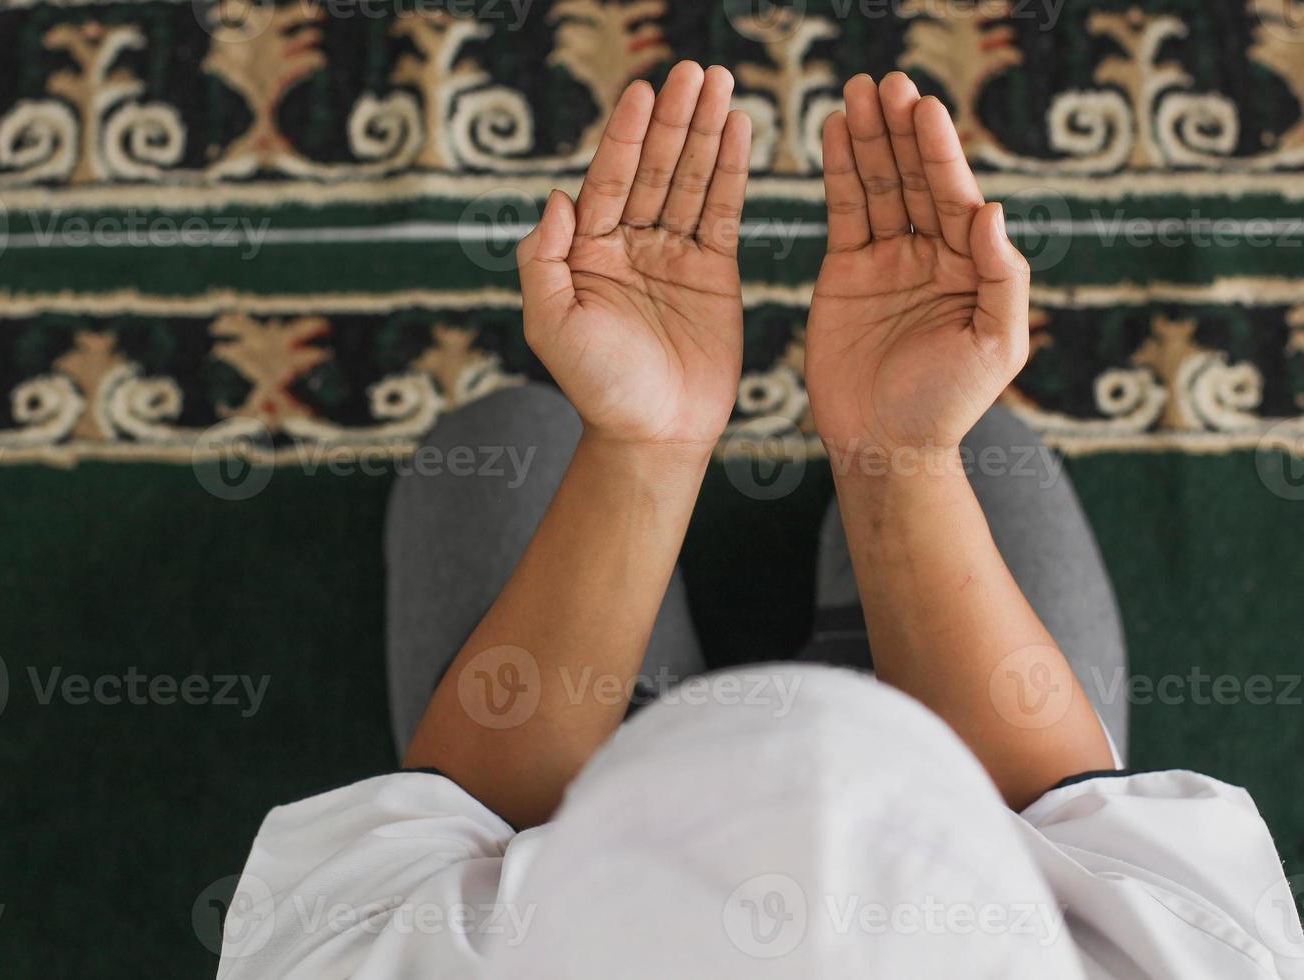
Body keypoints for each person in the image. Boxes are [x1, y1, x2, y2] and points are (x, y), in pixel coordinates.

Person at [216, 66, 1301, 979]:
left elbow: (453, 821)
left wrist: (646, 447)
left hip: (568, 816)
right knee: (989, 453)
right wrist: (897, 461)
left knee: (504, 442)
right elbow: (1068, 815)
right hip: (964, 790)